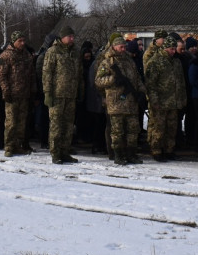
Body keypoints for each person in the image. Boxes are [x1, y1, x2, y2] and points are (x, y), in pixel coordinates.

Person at [95, 34, 147, 166]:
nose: (123, 49)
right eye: (121, 46)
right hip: (116, 102)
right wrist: (113, 80)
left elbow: (137, 79)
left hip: (131, 102)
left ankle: (131, 154)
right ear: (114, 46)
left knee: (133, 130)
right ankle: (118, 154)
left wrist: (141, 91)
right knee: (117, 131)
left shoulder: (129, 61)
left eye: (125, 47)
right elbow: (98, 81)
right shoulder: (107, 62)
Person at [41, 26, 83, 164]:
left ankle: (65, 151)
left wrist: (80, 90)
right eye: (69, 36)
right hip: (57, 95)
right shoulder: (53, 52)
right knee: (56, 125)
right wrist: (47, 93)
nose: (72, 39)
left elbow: (79, 74)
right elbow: (47, 73)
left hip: (70, 95)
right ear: (62, 37)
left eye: (73, 36)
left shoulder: (75, 52)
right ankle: (55, 153)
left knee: (68, 125)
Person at [144, 37, 188, 161]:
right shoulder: (155, 62)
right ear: (165, 48)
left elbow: (181, 82)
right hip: (160, 102)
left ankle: (169, 150)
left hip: (173, 101)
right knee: (158, 128)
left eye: (174, 49)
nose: (173, 51)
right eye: (171, 49)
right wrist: (154, 101)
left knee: (172, 128)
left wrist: (182, 98)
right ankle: (156, 150)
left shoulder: (176, 62)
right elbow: (151, 84)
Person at [0, 31, 35, 157]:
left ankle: (18, 146)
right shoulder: (6, 55)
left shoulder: (27, 55)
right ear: (14, 41)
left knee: (21, 123)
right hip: (12, 95)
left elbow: (31, 74)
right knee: (11, 123)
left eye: (24, 40)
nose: (23, 43)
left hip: (24, 95)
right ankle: (8, 147)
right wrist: (6, 90)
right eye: (20, 41)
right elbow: (1, 75)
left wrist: (32, 90)